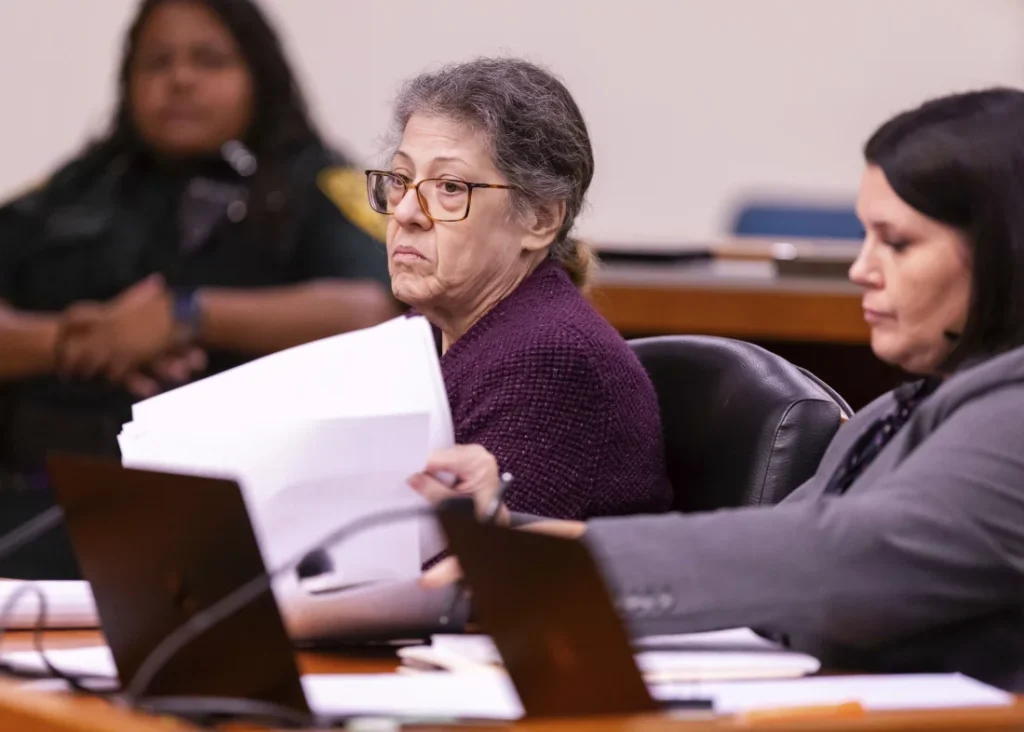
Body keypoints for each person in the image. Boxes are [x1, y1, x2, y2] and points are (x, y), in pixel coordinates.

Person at [411, 89, 1024, 690]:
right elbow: (770, 557)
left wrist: (555, 565)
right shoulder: (893, 413)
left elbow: (836, 557)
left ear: (1005, 249)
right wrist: (503, 535)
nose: (861, 269)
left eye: (897, 243)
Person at [0, 0, 398, 578]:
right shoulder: (74, 189)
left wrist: (186, 316)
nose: (180, 79)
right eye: (157, 63)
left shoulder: (314, 184)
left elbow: (376, 310)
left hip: (241, 526)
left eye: (209, 60)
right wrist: (73, 341)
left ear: (258, 74)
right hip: (42, 509)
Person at [369, 58, 672, 521]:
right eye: (400, 180)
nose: (407, 212)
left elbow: (469, 562)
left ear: (540, 219)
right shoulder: (417, 335)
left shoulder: (553, 361)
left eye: (449, 187)